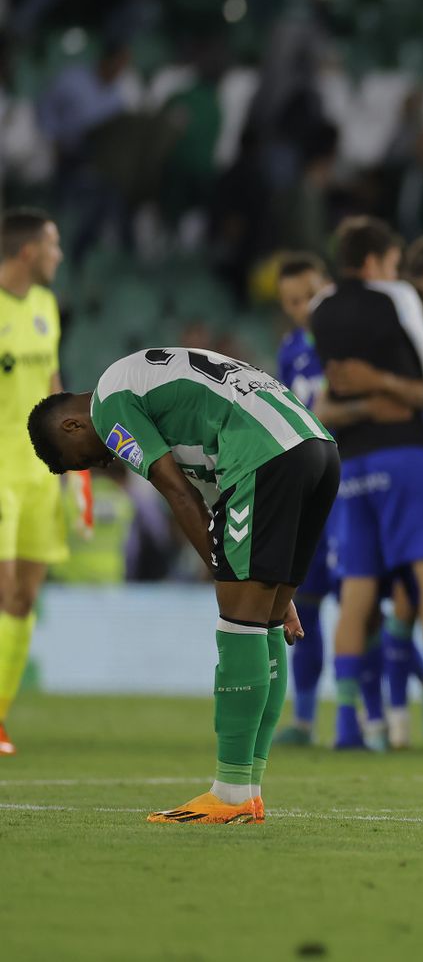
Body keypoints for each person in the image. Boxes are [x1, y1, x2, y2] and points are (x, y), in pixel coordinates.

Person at [28, 346, 339, 824]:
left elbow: (178, 491)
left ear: (72, 427)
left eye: (79, 462)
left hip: (264, 455)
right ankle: (249, 791)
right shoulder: (149, 390)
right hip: (314, 447)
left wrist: (224, 573)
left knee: (238, 623)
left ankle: (230, 793)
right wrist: (258, 580)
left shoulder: (109, 406)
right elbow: (216, 499)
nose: (99, 466)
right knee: (267, 622)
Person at [309, 217, 423, 749]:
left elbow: (324, 402)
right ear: (378, 262)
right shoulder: (412, 317)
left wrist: (362, 395)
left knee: (358, 593)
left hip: (352, 467)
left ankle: (348, 725)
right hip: (407, 459)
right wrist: (386, 390)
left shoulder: (321, 310)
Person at [0, 210, 67, 756]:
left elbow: (53, 386)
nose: (59, 255)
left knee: (25, 596)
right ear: (27, 251)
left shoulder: (46, 306)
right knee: (2, 591)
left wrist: (74, 467)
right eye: (52, 245)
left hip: (40, 472)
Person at [271, 252, 336, 746]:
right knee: (304, 604)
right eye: (291, 301)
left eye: (309, 296)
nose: (301, 307)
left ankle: (377, 716)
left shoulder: (350, 339)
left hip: (353, 484)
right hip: (312, 491)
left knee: (369, 603)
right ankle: (305, 719)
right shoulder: (290, 350)